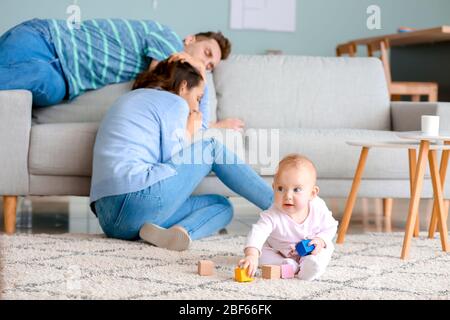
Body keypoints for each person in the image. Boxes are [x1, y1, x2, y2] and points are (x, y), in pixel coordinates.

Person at [90, 58, 273, 251]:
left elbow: (199, 124)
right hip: (137, 199)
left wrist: (201, 81)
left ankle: (179, 232)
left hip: (109, 220)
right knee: (210, 147)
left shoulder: (133, 99)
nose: (195, 108)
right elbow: (173, 160)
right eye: (198, 99)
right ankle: (281, 208)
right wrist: (189, 133)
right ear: (183, 86)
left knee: (222, 206)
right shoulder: (173, 101)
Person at [0, 18, 244, 130]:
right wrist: (198, 70)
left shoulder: (179, 70)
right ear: (190, 40)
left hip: (63, 80)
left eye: (211, 65)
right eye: (207, 52)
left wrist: (210, 124)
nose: (205, 62)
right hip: (47, 40)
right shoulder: (166, 37)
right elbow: (160, 91)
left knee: (36, 81)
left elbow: (169, 100)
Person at [238, 154, 338, 281]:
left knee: (325, 249)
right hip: (280, 252)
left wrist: (321, 240)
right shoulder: (272, 214)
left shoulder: (318, 207)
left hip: (310, 250)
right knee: (263, 255)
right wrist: (251, 255)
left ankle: (310, 267)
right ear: (273, 188)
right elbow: (258, 232)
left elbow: (331, 227)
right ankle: (288, 266)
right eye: (281, 189)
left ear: (312, 193)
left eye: (296, 189)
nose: (288, 196)